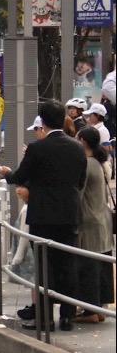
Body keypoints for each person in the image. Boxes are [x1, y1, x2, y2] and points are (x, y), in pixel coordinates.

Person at [0, 100, 87, 332]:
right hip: (69, 213)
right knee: (68, 265)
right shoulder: (77, 147)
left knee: (44, 267)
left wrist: (8, 174)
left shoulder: (38, 148)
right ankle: (67, 317)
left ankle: (46, 319)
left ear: (43, 122)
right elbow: (80, 181)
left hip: (42, 215)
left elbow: (21, 175)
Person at [73, 126, 113, 323]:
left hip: (89, 221)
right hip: (102, 219)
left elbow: (77, 195)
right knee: (101, 266)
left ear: (83, 142)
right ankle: (99, 308)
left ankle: (90, 311)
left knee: (88, 267)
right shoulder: (98, 162)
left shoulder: (86, 164)